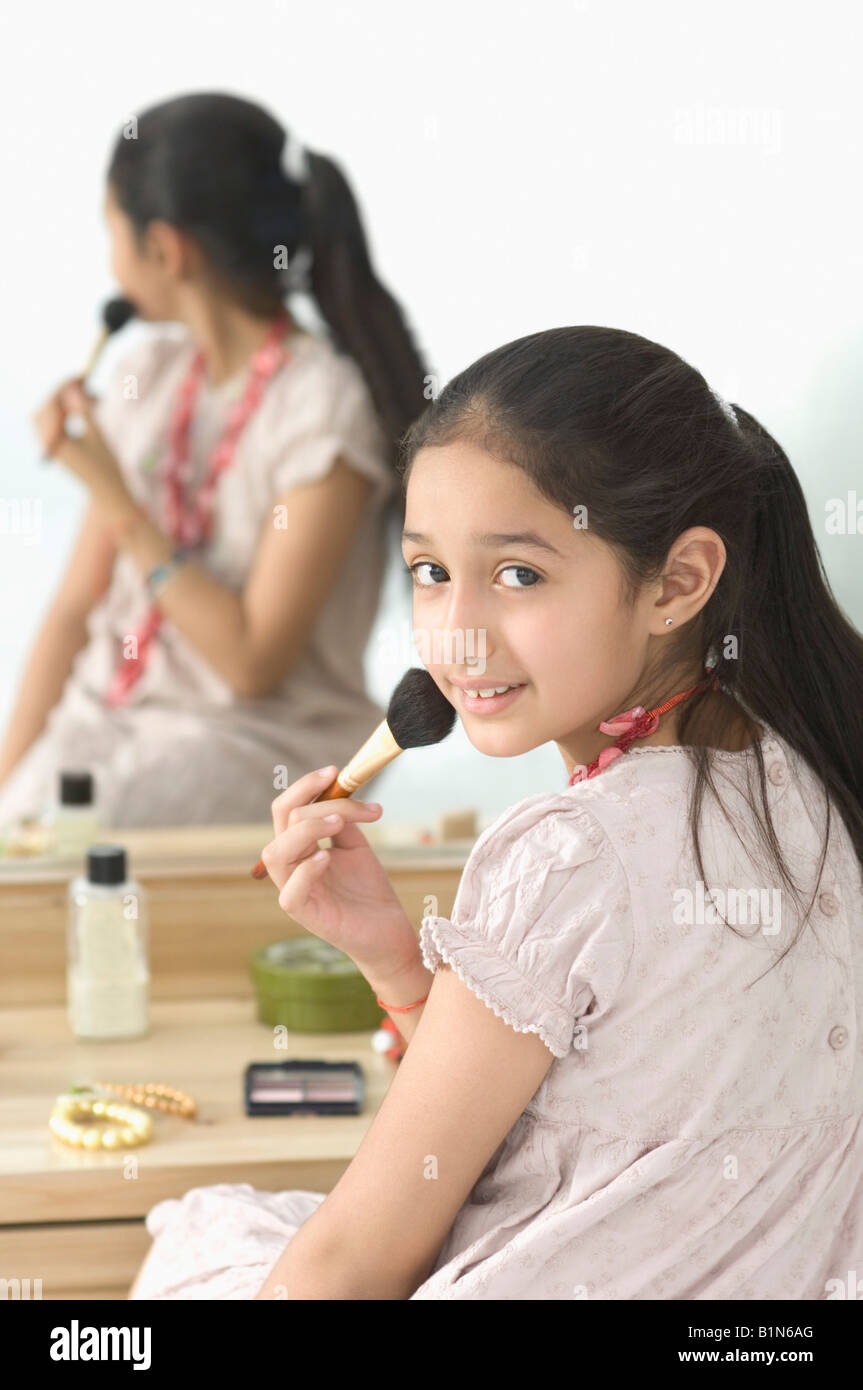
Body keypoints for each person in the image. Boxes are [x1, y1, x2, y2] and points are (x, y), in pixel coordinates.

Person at [127, 324, 863, 1299]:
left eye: (517, 574)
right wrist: (396, 960)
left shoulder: (568, 855)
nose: (457, 637)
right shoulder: (815, 782)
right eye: (430, 573)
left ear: (677, 581)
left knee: (203, 1236)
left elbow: (351, 1263)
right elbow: (593, 1119)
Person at [0, 92, 427, 829]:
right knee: (30, 820)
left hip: (250, 743)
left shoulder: (321, 406)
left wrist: (117, 496)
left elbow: (250, 661)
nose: (110, 258)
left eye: (112, 232)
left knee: (75, 840)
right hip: (103, 723)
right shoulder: (150, 376)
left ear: (165, 249)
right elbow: (72, 613)